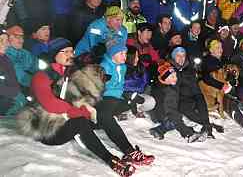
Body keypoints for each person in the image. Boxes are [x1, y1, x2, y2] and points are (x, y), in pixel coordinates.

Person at [29, 38, 151, 176]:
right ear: (54, 54)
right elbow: (50, 104)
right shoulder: (41, 76)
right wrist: (78, 111)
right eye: (66, 51)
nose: (71, 55)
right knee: (80, 121)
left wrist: (87, 108)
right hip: (47, 129)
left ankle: (129, 151)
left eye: (72, 51)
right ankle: (111, 160)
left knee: (103, 116)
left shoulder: (69, 73)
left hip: (64, 121)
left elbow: (79, 98)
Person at [149, 61, 208, 142]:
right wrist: (186, 131)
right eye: (172, 77)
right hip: (162, 115)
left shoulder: (164, 85)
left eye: (175, 76)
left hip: (159, 111)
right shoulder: (169, 91)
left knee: (180, 117)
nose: (176, 78)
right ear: (165, 78)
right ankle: (159, 130)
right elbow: (171, 111)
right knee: (175, 121)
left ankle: (186, 128)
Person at [5, 25, 38, 105]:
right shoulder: (5, 54)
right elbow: (20, 76)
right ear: (7, 38)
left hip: (30, 88)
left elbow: (37, 68)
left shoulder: (26, 53)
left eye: (22, 37)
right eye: (17, 36)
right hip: (13, 92)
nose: (21, 40)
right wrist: (38, 85)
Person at [0, 26, 22, 116]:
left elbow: (14, 83)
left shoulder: (6, 59)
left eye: (6, 41)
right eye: (1, 40)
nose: (6, 44)